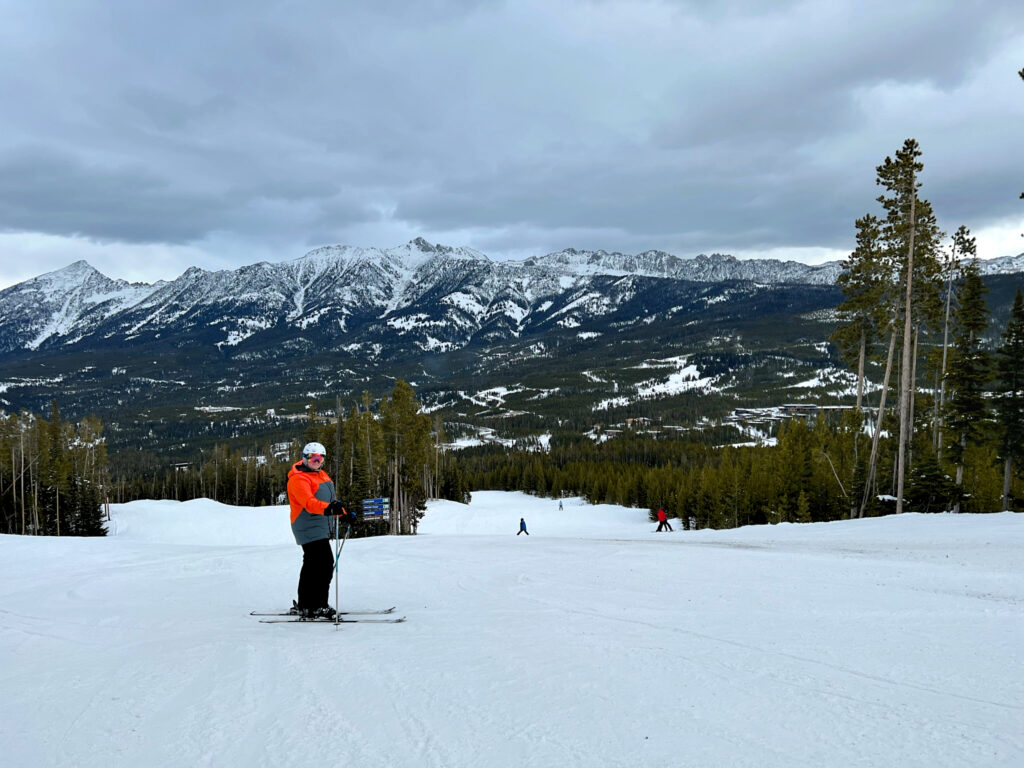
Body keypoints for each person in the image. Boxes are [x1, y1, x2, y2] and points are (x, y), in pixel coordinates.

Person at [286, 441, 355, 619]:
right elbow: (309, 503)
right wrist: (330, 510)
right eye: (312, 457)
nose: (316, 460)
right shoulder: (298, 479)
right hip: (307, 525)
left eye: (320, 457)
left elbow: (332, 502)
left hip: (321, 524)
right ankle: (317, 605)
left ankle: (307, 604)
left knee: (312, 564)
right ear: (305, 458)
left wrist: (343, 514)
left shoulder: (321, 475)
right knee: (323, 564)